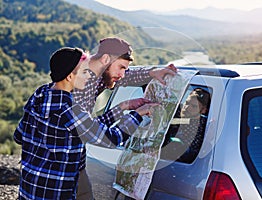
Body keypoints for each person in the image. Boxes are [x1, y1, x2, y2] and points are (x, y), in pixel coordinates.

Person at [13, 47, 158, 200]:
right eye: (84, 72)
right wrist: (138, 114)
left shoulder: (41, 93)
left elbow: (19, 136)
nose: (89, 77)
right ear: (69, 76)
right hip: (54, 191)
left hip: (30, 187)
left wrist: (122, 107)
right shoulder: (69, 109)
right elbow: (112, 138)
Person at [72, 37, 177, 199]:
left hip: (74, 163)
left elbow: (89, 126)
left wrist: (125, 105)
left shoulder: (96, 75)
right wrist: (137, 115)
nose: (122, 75)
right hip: (61, 167)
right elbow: (95, 134)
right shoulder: (81, 84)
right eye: (121, 67)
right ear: (106, 59)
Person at [161, 88, 211, 163]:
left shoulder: (201, 128)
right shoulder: (175, 114)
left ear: (204, 110)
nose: (186, 108)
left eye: (193, 106)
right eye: (186, 103)